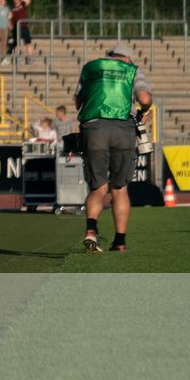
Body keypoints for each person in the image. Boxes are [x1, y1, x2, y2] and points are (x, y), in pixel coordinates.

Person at [75, 42, 153, 254]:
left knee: (98, 187)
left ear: (109, 56)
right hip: (122, 128)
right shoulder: (132, 70)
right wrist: (144, 109)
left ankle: (91, 230)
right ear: (127, 59)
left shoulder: (91, 67)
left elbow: (78, 102)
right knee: (119, 189)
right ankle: (119, 242)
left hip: (93, 127)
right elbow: (144, 98)